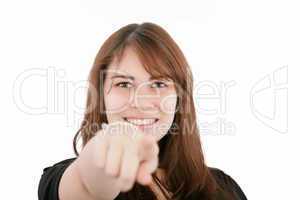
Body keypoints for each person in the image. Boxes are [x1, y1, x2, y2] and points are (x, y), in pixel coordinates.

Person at [38, 22, 247, 200]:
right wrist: (100, 160)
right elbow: (87, 184)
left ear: (179, 98)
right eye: (123, 84)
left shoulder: (223, 189)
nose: (142, 101)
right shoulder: (62, 179)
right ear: (101, 96)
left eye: (158, 84)